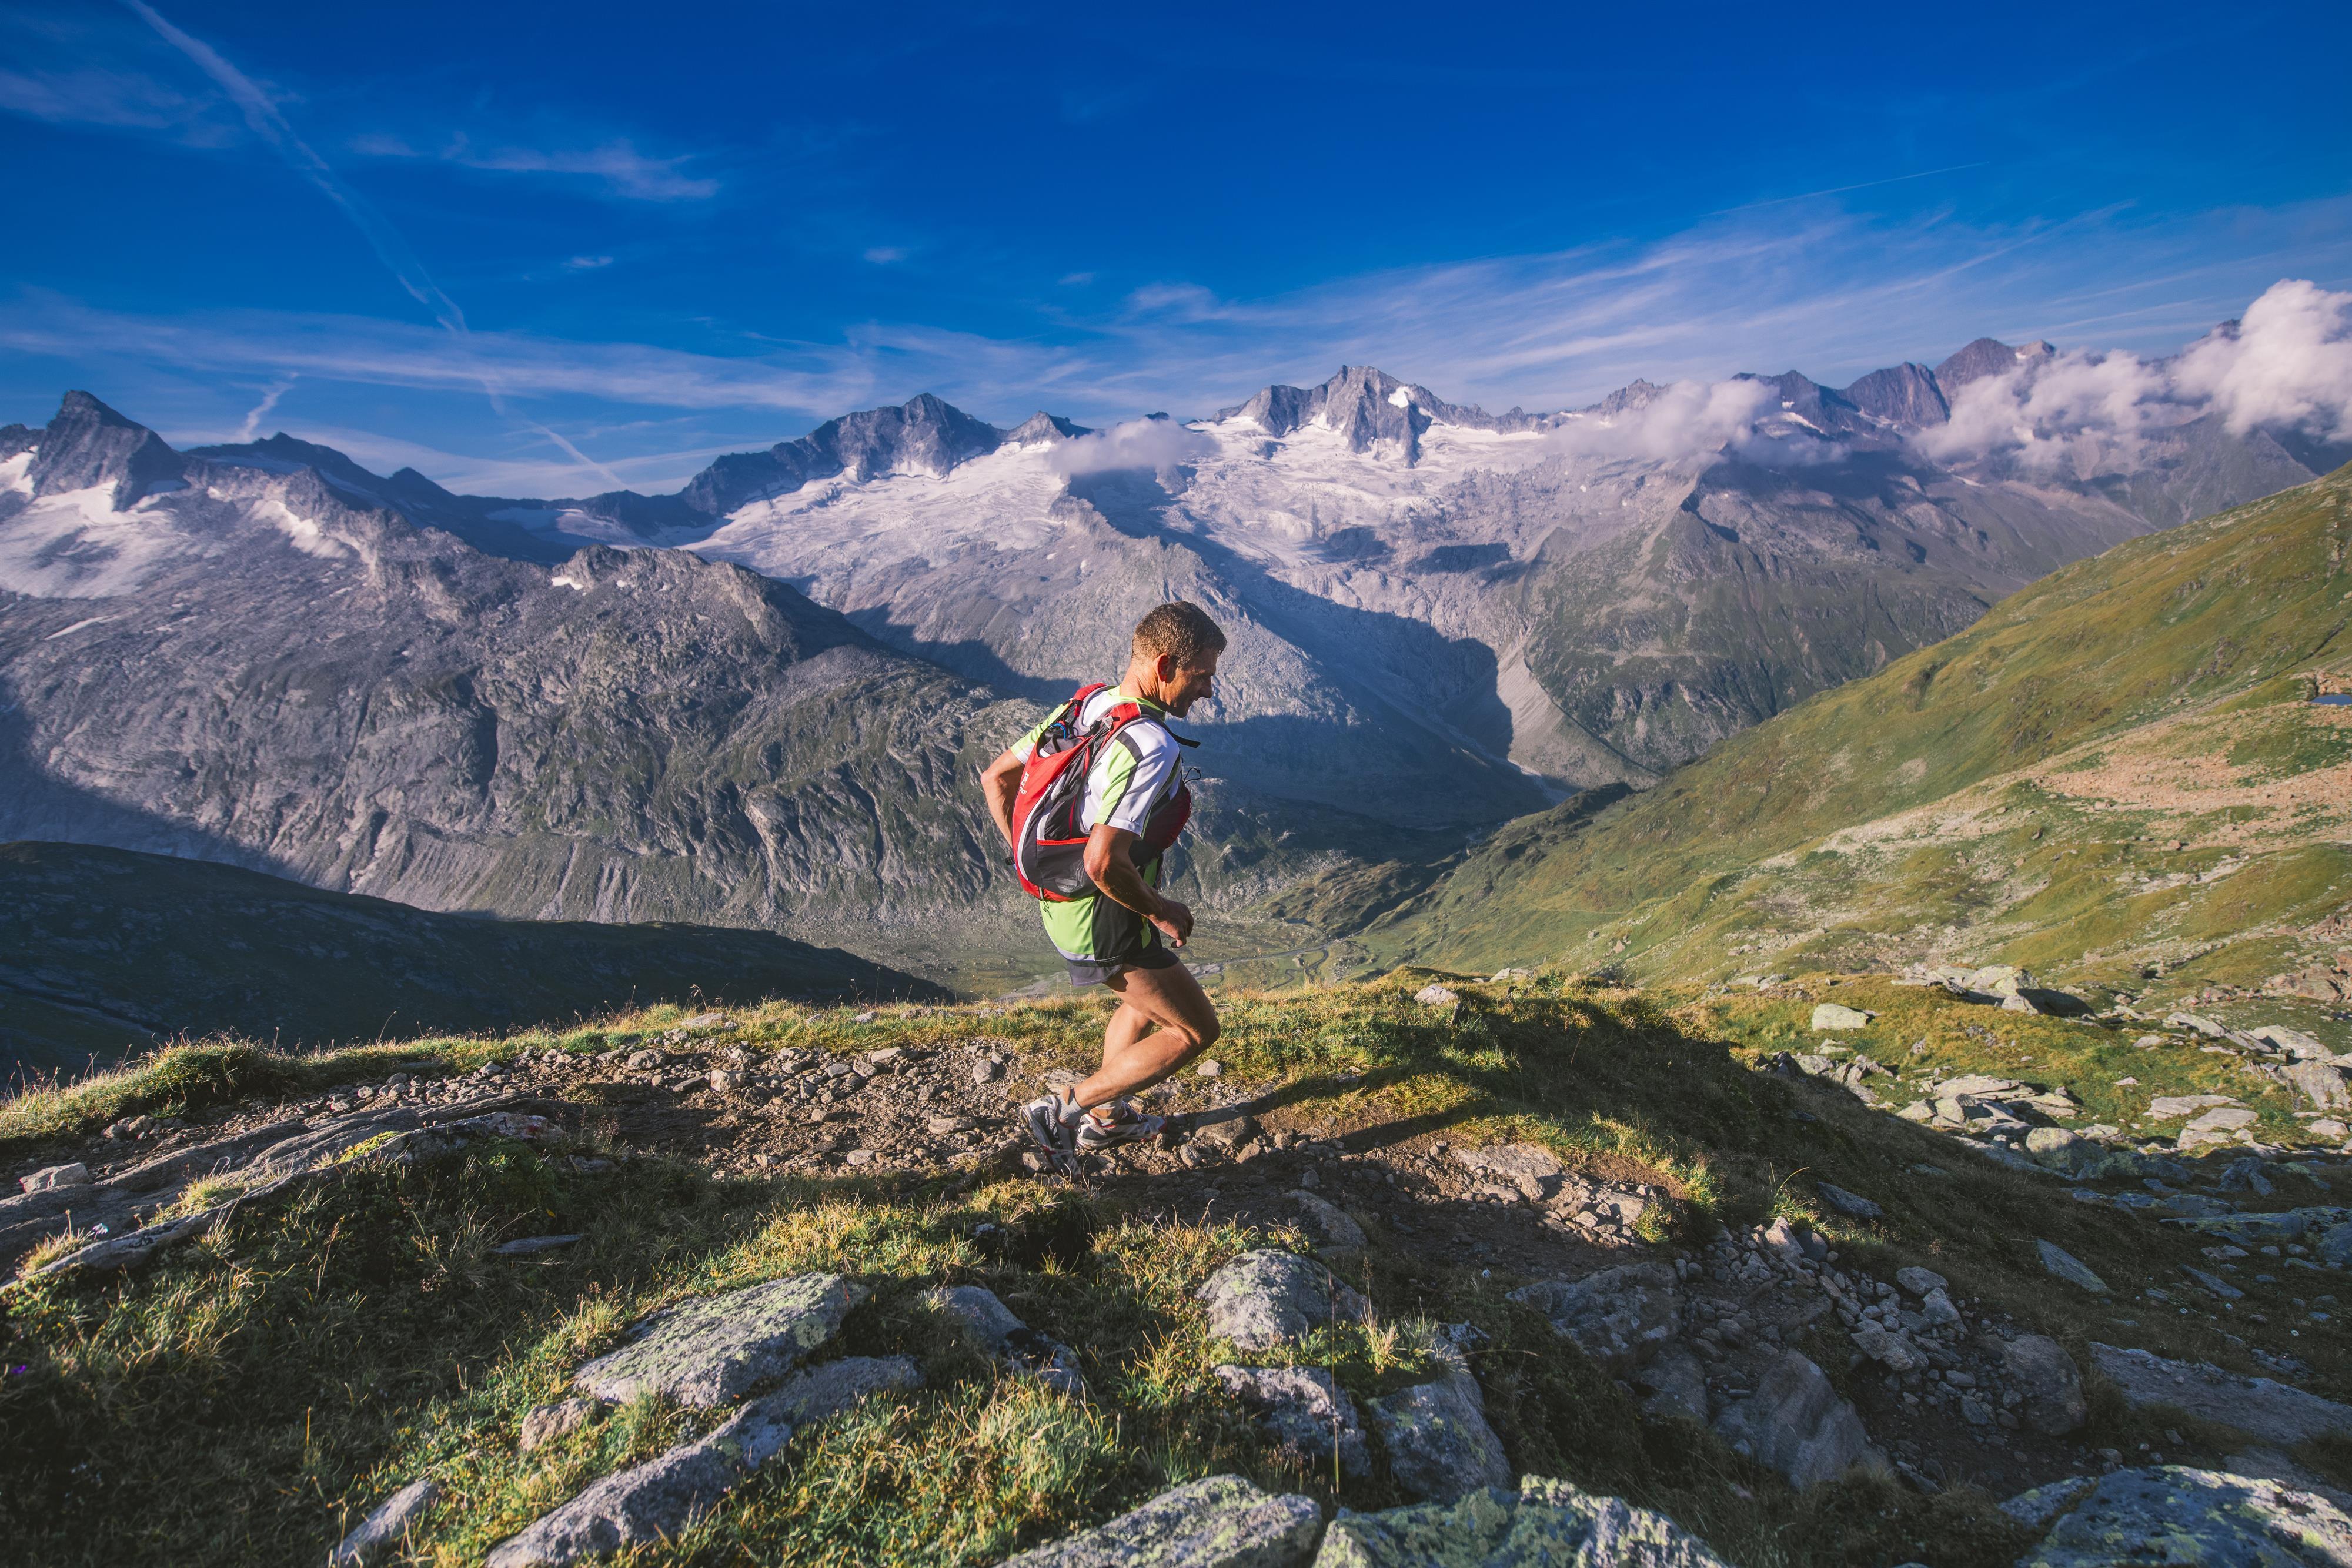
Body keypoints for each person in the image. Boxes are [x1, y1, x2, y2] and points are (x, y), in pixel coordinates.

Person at [980, 600, 1227, 1166]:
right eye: (1202, 675)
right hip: (1102, 910)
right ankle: (1063, 1109)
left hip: (1069, 903)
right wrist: (1160, 907)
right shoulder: (1151, 745)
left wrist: (1032, 862)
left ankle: (1108, 1119)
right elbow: (1101, 861)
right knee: (1194, 1031)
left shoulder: (1092, 702)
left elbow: (998, 778)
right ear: (1165, 666)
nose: (1209, 691)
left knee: (1143, 1005)